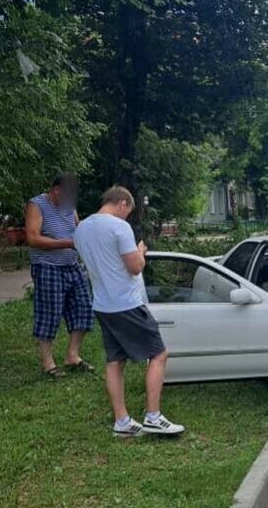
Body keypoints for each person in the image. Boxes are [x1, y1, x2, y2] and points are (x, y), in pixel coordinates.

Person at [74, 186, 184, 437]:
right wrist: (141, 253)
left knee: (115, 362)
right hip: (126, 303)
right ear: (122, 203)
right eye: (128, 212)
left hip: (102, 304)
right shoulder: (119, 227)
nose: (127, 217)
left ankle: (122, 422)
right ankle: (153, 416)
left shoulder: (81, 229)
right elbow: (135, 267)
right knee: (159, 353)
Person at [25, 173, 95, 378]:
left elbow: (79, 230)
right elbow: (33, 238)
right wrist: (66, 243)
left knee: (84, 307)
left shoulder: (69, 206)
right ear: (56, 190)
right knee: (50, 313)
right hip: (47, 266)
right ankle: (48, 363)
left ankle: (72, 356)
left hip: (72, 265)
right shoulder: (37, 205)